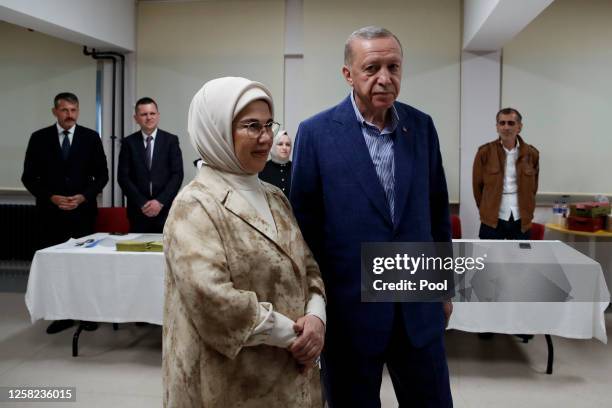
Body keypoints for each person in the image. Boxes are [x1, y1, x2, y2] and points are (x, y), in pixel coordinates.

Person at [290, 26, 453, 407]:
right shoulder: (315, 134)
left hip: (418, 304)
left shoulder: (421, 127)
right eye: (372, 68)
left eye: (393, 67)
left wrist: (443, 288)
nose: (385, 78)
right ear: (348, 74)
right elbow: (304, 228)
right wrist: (313, 304)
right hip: (350, 311)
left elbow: (436, 211)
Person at [163, 77, 326, 407]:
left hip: (291, 377)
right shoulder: (194, 205)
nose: (266, 138)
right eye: (251, 126)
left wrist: (317, 318)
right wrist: (297, 337)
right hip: (228, 385)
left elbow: (308, 267)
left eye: (269, 125)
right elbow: (214, 301)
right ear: (217, 131)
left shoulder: (275, 196)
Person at [22, 92, 109, 334]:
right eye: (65, 110)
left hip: (83, 213)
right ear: (55, 112)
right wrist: (51, 197)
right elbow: (29, 177)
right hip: (51, 215)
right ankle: (62, 315)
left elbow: (102, 175)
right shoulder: (39, 138)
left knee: (84, 266)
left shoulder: (91, 138)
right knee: (58, 267)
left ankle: (88, 314)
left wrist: (83, 197)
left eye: (74, 110)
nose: (70, 115)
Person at [118, 97, 184, 233]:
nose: (149, 117)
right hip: (138, 211)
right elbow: (123, 177)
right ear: (136, 118)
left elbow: (177, 175)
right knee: (138, 252)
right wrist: (142, 203)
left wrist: (159, 202)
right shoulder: (128, 143)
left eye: (152, 113)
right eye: (144, 114)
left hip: (165, 210)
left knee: (165, 252)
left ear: (158, 116)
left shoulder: (171, 140)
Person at [473, 108, 539, 240]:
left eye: (511, 123)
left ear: (519, 127)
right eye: (502, 123)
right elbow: (477, 187)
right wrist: (487, 208)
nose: (506, 127)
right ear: (497, 127)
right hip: (492, 219)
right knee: (490, 259)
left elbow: (533, 187)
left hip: (521, 218)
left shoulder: (531, 154)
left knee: (520, 258)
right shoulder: (484, 152)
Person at [258, 129, 292, 195]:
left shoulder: (297, 170)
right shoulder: (261, 169)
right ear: (272, 146)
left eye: (288, 144)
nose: (284, 147)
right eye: (280, 144)